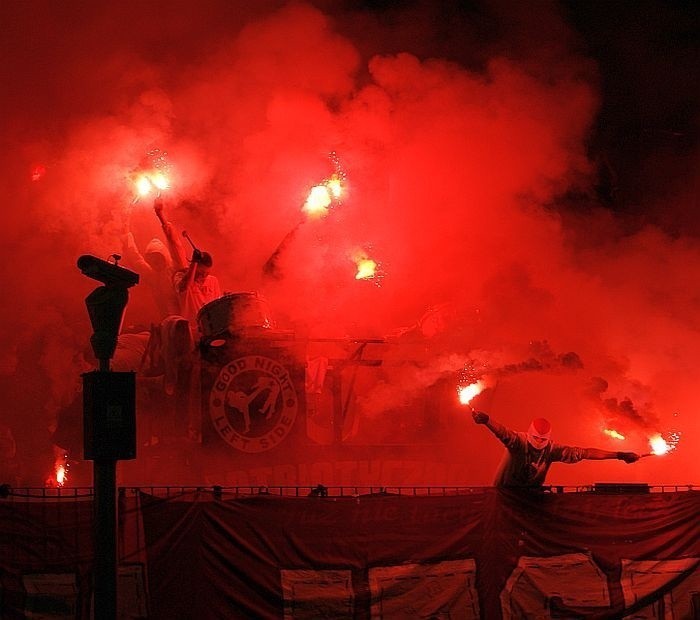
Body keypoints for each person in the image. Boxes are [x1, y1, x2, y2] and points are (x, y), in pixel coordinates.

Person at [471, 411, 640, 488]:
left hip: (531, 499)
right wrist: (487, 420)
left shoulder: (552, 449)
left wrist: (619, 455)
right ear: (530, 434)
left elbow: (586, 453)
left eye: (543, 439)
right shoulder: (518, 442)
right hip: (504, 495)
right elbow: (502, 432)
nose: (539, 442)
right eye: (536, 438)